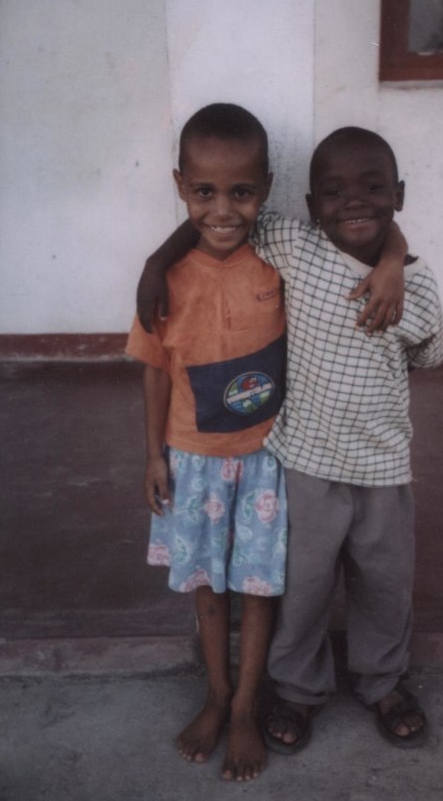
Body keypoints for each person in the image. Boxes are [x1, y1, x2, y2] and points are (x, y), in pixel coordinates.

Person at [136, 118, 436, 758]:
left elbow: (426, 353)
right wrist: (156, 260)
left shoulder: (397, 280)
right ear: (306, 205)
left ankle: (378, 682)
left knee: (378, 582)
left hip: (359, 464)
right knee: (297, 587)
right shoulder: (286, 247)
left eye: (372, 187)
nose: (352, 201)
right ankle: (290, 691)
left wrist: (391, 263)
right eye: (333, 191)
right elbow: (207, 220)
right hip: (290, 460)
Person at [126, 104, 289, 783]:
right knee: (208, 586)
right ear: (180, 186)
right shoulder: (169, 279)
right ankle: (217, 695)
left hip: (265, 460)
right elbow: (156, 369)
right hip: (191, 460)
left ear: (267, 188)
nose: (223, 209)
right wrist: (154, 454)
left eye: (241, 191)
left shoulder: (280, 258)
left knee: (257, 587)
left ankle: (248, 704)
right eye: (204, 191)